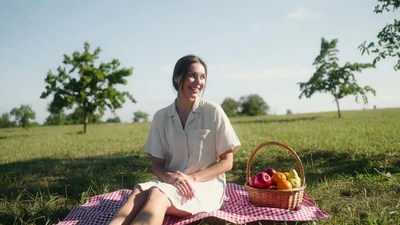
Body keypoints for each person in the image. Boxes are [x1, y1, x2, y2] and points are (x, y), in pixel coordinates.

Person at [108, 54, 241, 225]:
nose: (198, 82)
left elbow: (227, 162)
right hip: (170, 181)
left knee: (157, 194)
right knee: (140, 191)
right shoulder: (161, 117)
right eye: (192, 75)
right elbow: (157, 164)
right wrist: (171, 178)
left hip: (204, 184)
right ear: (177, 78)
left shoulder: (213, 111)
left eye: (202, 77)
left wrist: (192, 178)